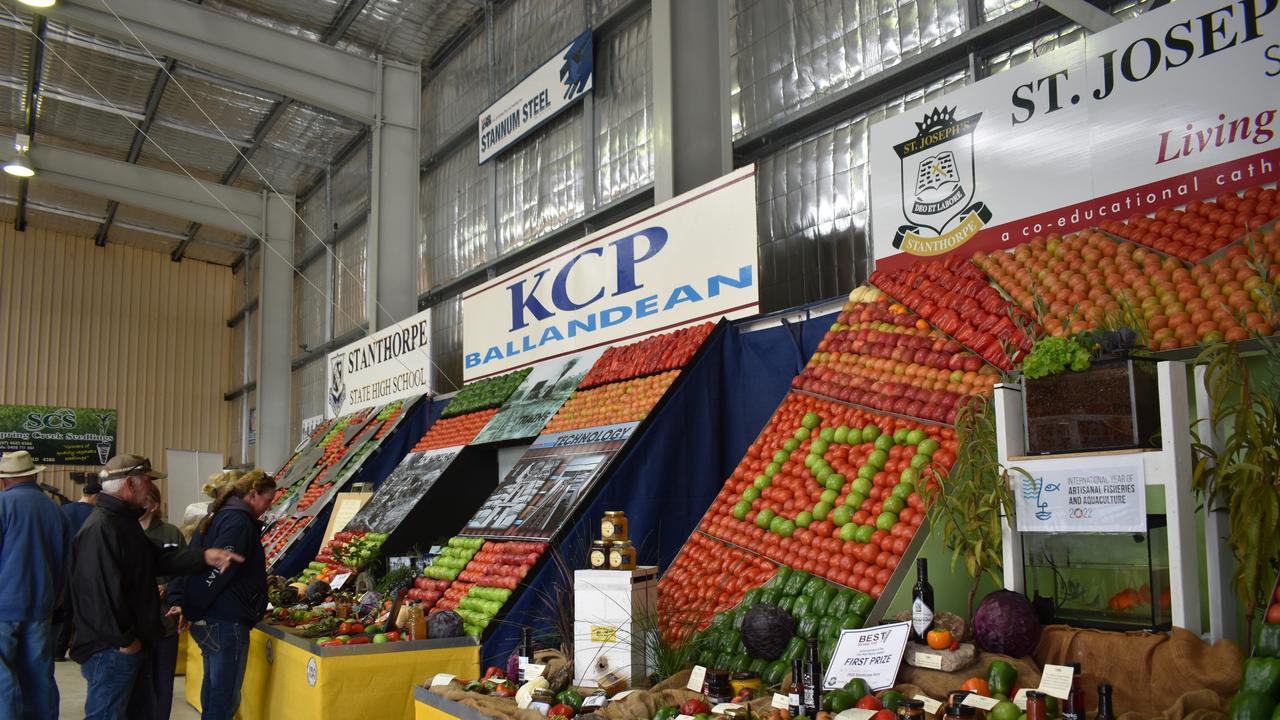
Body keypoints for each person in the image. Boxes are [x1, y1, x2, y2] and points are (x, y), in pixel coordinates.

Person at [70, 454, 243, 720]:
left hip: (125, 644)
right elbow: (96, 595)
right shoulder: (103, 528)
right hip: (111, 649)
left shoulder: (122, 522)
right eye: (147, 481)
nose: (151, 489)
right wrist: (126, 641)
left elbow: (154, 559)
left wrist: (204, 556)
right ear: (130, 483)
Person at [173, 470, 275, 720]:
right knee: (224, 695)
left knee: (214, 687)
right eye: (268, 500)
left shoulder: (218, 516)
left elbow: (191, 560)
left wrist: (187, 605)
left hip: (211, 617)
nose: (269, 506)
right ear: (252, 494)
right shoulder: (239, 522)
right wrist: (194, 606)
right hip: (224, 620)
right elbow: (218, 571)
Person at [0, 451, 70, 720]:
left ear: (5, 480)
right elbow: (65, 564)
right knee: (39, 674)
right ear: (34, 474)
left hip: (3, 607)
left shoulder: (3, 505)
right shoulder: (55, 510)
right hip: (42, 607)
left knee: (4, 678)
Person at [139, 484, 185, 720]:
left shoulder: (171, 534)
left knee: (163, 683)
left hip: (165, 621)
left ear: (153, 504)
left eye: (142, 500)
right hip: (135, 625)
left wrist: (168, 588)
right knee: (138, 685)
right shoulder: (125, 531)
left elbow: (186, 572)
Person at [53, 472, 100, 662]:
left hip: (64, 568)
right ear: (96, 497)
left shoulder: (64, 510)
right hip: (88, 570)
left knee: (65, 611)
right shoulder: (97, 514)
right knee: (85, 611)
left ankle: (58, 650)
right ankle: (83, 649)